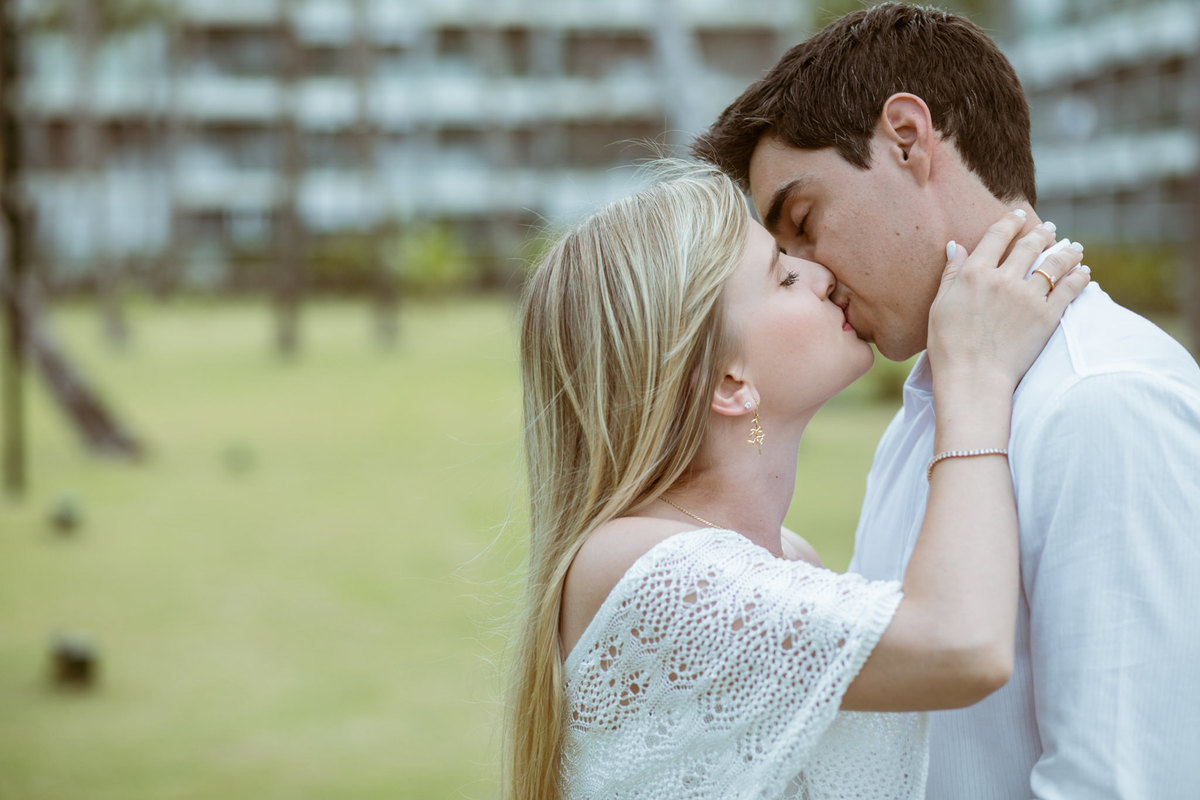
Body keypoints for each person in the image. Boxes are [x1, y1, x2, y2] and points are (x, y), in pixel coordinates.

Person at [693, 4, 1200, 798]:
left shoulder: (1104, 403)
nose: (812, 275)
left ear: (906, 137)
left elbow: (1125, 781)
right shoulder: (937, 406)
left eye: (804, 221)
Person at [502, 159, 1088, 799]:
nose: (818, 273)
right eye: (782, 276)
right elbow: (960, 644)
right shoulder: (639, 569)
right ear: (730, 382)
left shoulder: (786, 558)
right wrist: (974, 376)